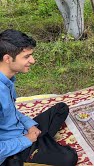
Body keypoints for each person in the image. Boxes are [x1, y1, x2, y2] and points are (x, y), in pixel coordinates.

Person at [0, 29, 78, 165]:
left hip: (21, 131)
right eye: (26, 57)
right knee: (69, 158)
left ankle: (41, 143)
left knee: (61, 108)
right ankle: (25, 154)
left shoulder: (7, 80)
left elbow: (11, 112)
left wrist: (30, 126)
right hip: (10, 147)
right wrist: (27, 140)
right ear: (7, 58)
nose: (33, 60)